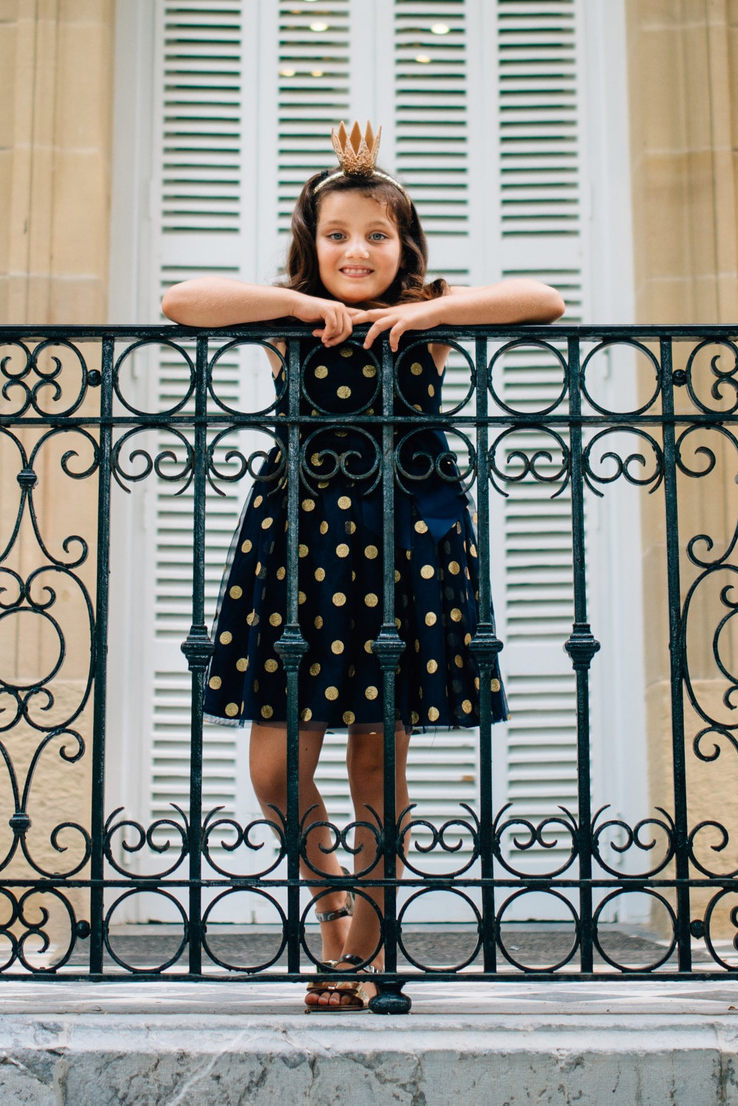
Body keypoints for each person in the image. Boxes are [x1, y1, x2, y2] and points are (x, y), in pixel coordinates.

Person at [159, 122, 565, 1012]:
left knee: (377, 766)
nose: (358, 250)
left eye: (378, 235)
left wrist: (428, 311)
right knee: (275, 769)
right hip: (299, 552)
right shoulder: (289, 319)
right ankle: (333, 895)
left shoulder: (428, 320)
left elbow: (545, 301)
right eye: (338, 234)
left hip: (404, 550)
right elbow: (179, 300)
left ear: (403, 246)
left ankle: (362, 955)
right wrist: (305, 307)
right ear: (313, 244)